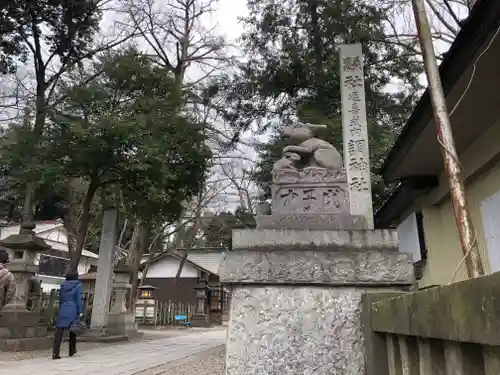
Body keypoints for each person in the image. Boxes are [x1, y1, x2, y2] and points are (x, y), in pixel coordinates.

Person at [52, 271, 83, 360]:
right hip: (73, 308)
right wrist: (80, 311)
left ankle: (55, 353)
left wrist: (61, 307)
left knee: (59, 332)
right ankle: (71, 350)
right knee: (73, 329)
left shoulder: (63, 286)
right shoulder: (78, 285)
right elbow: (79, 299)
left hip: (63, 308)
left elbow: (61, 298)